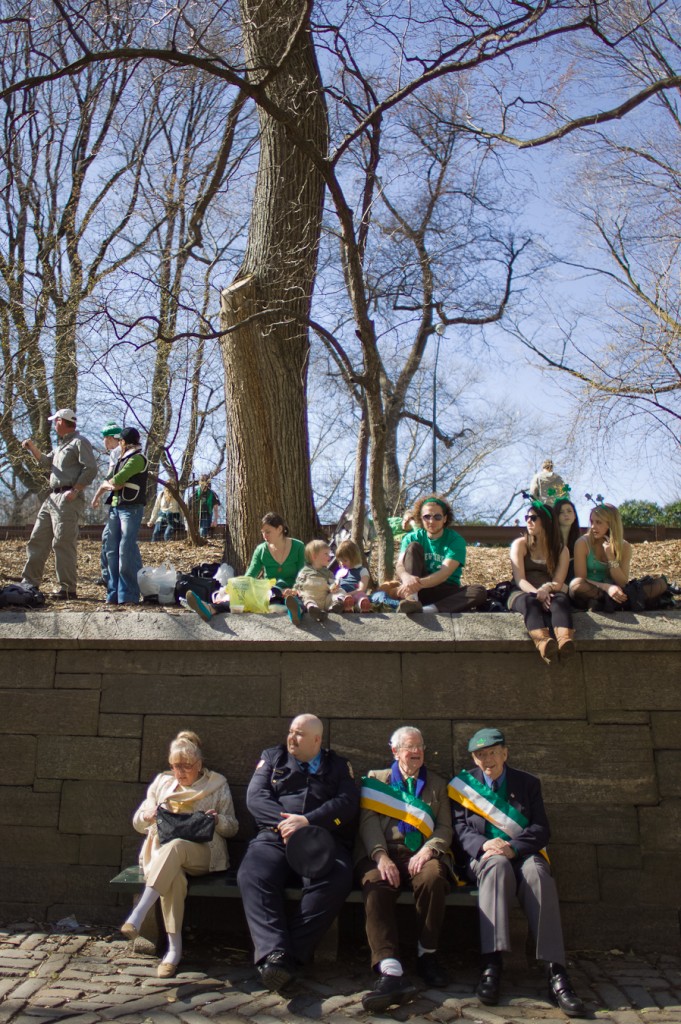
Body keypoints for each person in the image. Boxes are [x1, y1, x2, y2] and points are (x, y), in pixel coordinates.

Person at [450, 728, 585, 1018]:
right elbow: (460, 831)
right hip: (485, 858)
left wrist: (512, 847)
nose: (487, 760)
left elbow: (541, 829)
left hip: (521, 853)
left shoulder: (528, 783)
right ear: (474, 758)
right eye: (480, 755)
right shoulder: (463, 787)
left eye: (493, 753)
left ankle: (555, 971)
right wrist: (486, 844)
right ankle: (492, 964)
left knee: (537, 873)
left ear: (505, 753)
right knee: (497, 867)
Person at [237, 714, 359, 992]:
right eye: (291, 731)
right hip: (275, 836)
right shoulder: (272, 758)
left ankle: (286, 956)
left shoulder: (338, 766)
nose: (291, 738)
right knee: (252, 874)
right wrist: (286, 822)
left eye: (299, 734)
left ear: (317, 739)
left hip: (321, 838)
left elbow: (347, 803)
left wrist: (308, 821)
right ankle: (274, 952)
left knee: (338, 877)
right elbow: (255, 798)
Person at [120, 730, 237, 978]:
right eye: (175, 766)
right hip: (162, 855)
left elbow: (233, 828)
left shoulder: (217, 784)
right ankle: (174, 951)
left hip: (203, 853)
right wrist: (147, 815)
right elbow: (138, 823)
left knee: (177, 847)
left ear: (199, 764)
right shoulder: (162, 783)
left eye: (186, 766)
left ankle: (139, 913)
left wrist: (217, 821)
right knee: (174, 878)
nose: (179, 772)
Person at [356, 726, 452, 1013]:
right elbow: (367, 820)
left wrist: (428, 849)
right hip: (384, 851)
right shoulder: (377, 780)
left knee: (434, 877)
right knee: (375, 883)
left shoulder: (436, 784)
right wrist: (380, 856)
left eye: (420, 746)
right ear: (395, 751)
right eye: (410, 747)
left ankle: (427, 955)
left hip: (419, 853)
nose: (416, 752)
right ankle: (390, 967)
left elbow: (446, 826)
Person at [21, 408, 98, 600]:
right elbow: (46, 462)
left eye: (55, 421)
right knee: (37, 539)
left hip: (68, 498)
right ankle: (28, 584)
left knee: (63, 543)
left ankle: (67, 589)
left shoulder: (80, 442)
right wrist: (32, 448)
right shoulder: (61, 446)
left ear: (62, 422)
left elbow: (91, 468)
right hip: (52, 498)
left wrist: (76, 490)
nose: (54, 425)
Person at [185, 512, 305, 621]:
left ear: (279, 529)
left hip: (293, 591)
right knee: (243, 599)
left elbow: (303, 575)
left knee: (299, 600)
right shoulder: (261, 550)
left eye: (268, 532)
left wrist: (295, 590)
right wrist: (230, 591)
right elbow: (249, 576)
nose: (264, 536)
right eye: (262, 532)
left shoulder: (298, 547)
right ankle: (210, 608)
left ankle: (296, 611)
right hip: (270, 591)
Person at [570, 501, 668, 612]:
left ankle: (609, 603)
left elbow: (622, 582)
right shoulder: (582, 543)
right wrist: (607, 588)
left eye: (598, 522)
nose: (593, 526)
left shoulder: (625, 546)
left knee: (660, 584)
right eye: (592, 521)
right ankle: (626, 602)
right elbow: (581, 578)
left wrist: (611, 557)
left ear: (611, 524)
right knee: (576, 585)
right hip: (593, 590)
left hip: (618, 590)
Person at [395, 494, 486, 614]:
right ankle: (412, 600)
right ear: (420, 519)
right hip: (417, 591)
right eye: (426, 517)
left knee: (479, 591)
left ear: (445, 518)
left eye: (437, 517)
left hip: (445, 590)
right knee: (413, 547)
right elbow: (400, 565)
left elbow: (444, 573)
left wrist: (415, 584)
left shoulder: (455, 540)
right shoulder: (411, 537)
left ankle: (427, 610)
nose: (431, 521)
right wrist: (406, 579)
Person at [508, 502, 575, 664]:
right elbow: (520, 579)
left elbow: (558, 582)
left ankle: (565, 641)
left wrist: (545, 590)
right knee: (529, 602)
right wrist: (537, 593)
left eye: (533, 518)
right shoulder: (520, 544)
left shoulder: (561, 550)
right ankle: (544, 643)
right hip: (521, 592)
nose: (528, 521)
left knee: (560, 601)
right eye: (527, 518)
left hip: (550, 591)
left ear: (546, 521)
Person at [91, 426, 148, 606]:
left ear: (124, 442)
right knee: (111, 549)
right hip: (116, 507)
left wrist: (110, 484)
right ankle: (113, 594)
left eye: (120, 441)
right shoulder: (120, 459)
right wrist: (109, 486)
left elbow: (118, 479)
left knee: (125, 549)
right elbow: (110, 480)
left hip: (131, 509)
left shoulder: (138, 459)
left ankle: (129, 595)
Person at [285, 539, 339, 625]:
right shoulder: (304, 572)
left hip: (324, 599)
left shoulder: (328, 573)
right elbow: (298, 584)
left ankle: (336, 604)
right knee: (304, 600)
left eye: (329, 554)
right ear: (314, 556)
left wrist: (333, 586)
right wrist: (293, 591)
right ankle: (309, 611)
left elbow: (332, 583)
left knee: (339, 593)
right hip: (309, 598)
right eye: (326, 554)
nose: (329, 557)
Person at [97, 422, 123, 587]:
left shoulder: (117, 452)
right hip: (121, 501)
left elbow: (111, 477)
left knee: (109, 539)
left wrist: (100, 491)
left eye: (104, 439)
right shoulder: (123, 451)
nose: (104, 443)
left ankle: (108, 576)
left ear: (110, 438)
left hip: (119, 502)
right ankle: (110, 575)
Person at [333, 539, 372, 612]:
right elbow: (336, 585)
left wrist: (349, 594)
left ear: (354, 558)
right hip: (343, 594)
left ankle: (362, 605)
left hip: (355, 593)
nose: (342, 563)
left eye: (345, 560)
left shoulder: (362, 571)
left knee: (361, 596)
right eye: (340, 560)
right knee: (338, 597)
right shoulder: (340, 572)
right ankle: (346, 606)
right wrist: (335, 587)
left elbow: (361, 589)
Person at [552, 498, 581, 585]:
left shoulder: (580, 543)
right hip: (554, 585)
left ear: (575, 515)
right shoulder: (550, 541)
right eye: (561, 512)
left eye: (569, 511)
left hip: (575, 587)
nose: (566, 514)